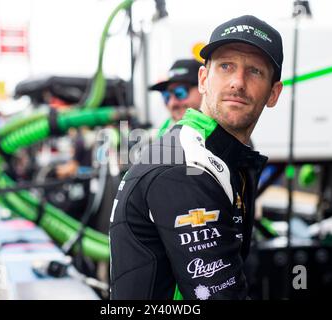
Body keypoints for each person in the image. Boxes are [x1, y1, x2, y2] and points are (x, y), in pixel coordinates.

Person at [109, 15, 283, 299]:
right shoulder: (186, 166)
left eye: (255, 72)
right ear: (204, 79)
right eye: (226, 66)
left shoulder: (218, 155)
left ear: (273, 94)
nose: (237, 82)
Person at [149, 59, 203, 137]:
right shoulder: (163, 131)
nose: (172, 103)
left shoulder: (223, 132)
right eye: (166, 96)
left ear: (204, 87)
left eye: (180, 93)